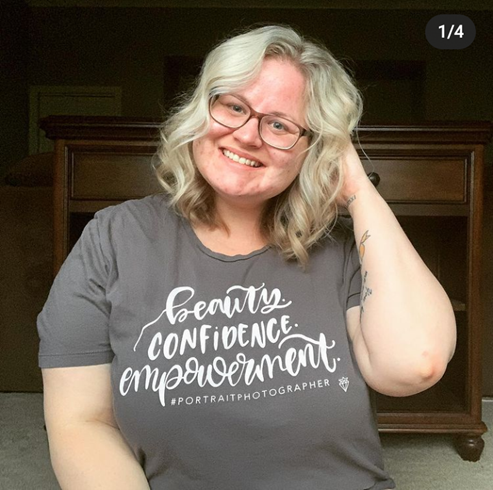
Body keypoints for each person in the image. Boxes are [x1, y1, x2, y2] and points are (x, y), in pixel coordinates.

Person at [37, 25, 456, 490]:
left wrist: (358, 191)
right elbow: (82, 423)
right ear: (201, 110)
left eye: (279, 124)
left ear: (313, 148)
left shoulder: (345, 249)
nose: (247, 135)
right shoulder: (113, 239)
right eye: (233, 106)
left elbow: (415, 365)